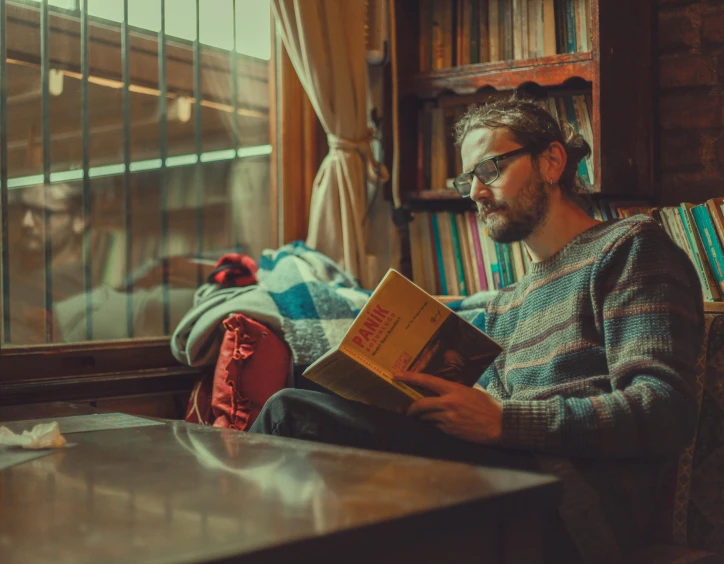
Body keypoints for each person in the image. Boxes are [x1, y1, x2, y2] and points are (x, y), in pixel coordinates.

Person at [250, 96, 704, 563]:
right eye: (468, 179)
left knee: (292, 415)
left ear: (551, 161)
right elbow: (484, 415)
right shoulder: (507, 301)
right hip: (500, 480)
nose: (475, 193)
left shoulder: (629, 249)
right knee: (310, 405)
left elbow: (663, 409)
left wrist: (504, 421)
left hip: (573, 509)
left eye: (489, 169)